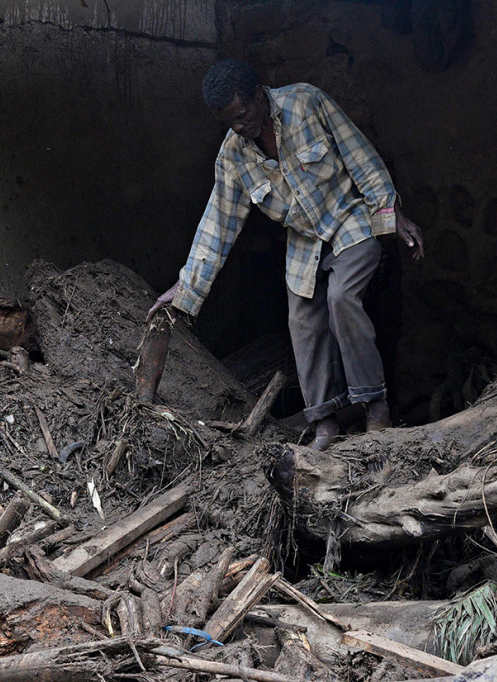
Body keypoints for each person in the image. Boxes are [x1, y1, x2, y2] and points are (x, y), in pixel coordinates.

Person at [148, 58, 424, 450]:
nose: (240, 127)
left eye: (243, 114)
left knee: (342, 298)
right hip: (305, 243)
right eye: (231, 123)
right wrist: (186, 286)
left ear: (260, 95)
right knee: (302, 320)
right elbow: (218, 224)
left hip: (350, 222)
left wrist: (390, 213)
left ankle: (375, 409)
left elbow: (361, 156)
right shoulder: (233, 157)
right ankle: (325, 423)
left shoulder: (307, 102)